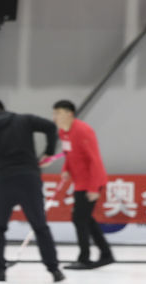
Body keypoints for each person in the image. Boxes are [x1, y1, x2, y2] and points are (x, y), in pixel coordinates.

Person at [0, 99, 64, 283]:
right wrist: (49, 151)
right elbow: (50, 127)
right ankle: (54, 270)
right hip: (29, 179)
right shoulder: (24, 120)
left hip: (4, 181)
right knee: (40, 226)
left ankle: (0, 270)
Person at [52, 100, 114, 269]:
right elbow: (68, 152)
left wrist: (93, 188)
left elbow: (94, 160)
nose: (55, 117)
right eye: (54, 113)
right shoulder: (63, 131)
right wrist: (66, 169)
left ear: (69, 114)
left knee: (79, 219)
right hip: (80, 182)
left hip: (92, 182)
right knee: (85, 219)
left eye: (58, 113)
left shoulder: (83, 131)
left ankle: (84, 258)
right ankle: (106, 254)